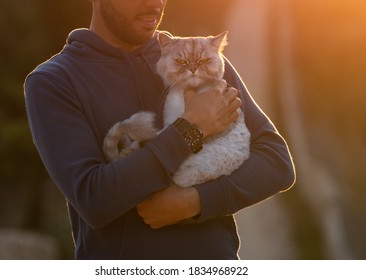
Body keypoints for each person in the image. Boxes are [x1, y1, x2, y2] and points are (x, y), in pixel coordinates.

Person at [24, 0, 295, 260]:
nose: (155, 4)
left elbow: (277, 162)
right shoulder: (54, 82)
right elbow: (93, 199)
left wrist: (196, 201)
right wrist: (191, 129)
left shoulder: (200, 59)